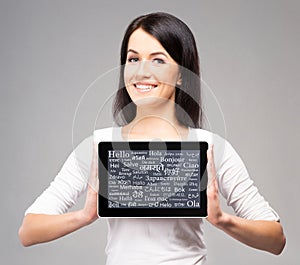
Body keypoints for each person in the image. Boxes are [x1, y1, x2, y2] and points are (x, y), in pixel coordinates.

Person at [19, 12, 286, 264]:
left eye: (158, 60)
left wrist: (221, 219)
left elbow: (275, 240)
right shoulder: (98, 146)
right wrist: (84, 216)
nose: (141, 72)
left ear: (182, 74)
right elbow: (28, 232)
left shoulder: (211, 148)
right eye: (133, 59)